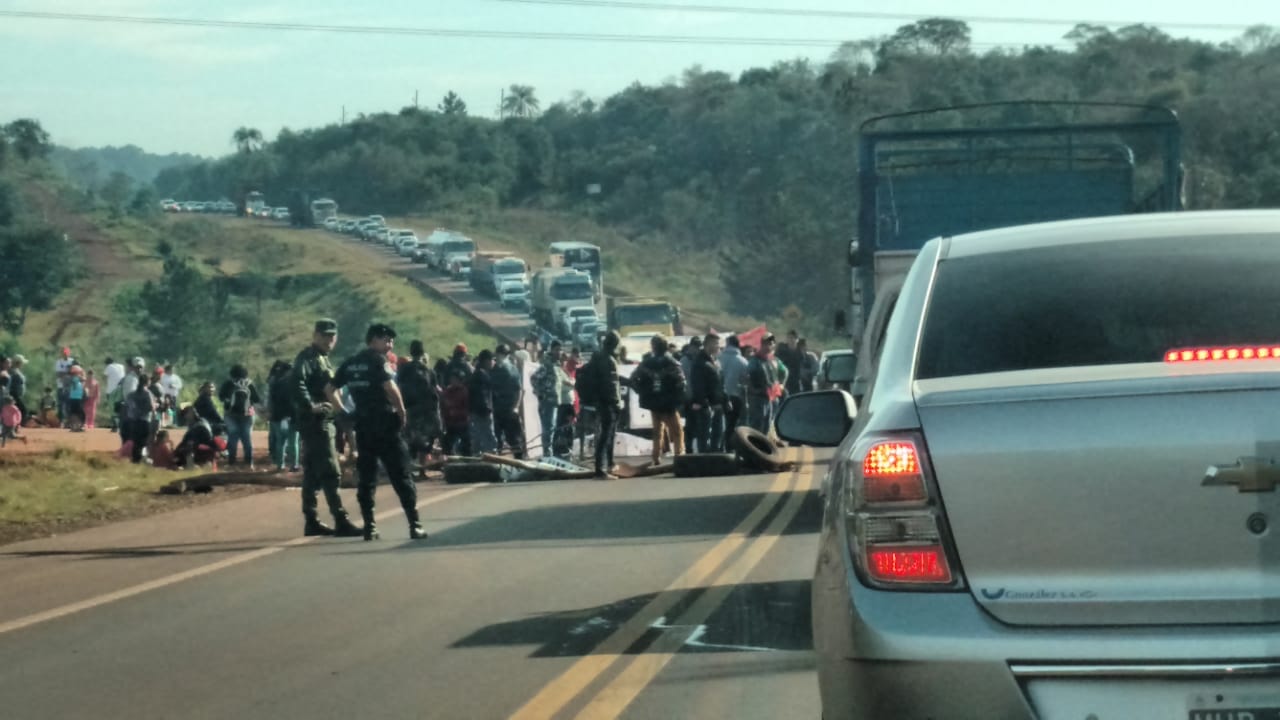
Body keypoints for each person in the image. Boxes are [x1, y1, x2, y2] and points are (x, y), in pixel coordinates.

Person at [326, 323, 425, 541]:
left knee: (367, 479)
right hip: (386, 426)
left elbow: (329, 389)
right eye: (385, 340)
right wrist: (401, 412)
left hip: (363, 427)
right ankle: (414, 524)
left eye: (391, 340)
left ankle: (370, 526)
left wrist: (343, 411)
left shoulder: (350, 364)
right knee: (401, 476)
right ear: (373, 340)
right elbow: (390, 388)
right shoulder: (379, 362)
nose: (389, 344)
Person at [289, 318, 362, 538]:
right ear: (315, 335)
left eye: (332, 336)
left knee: (312, 473)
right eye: (325, 335)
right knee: (330, 471)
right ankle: (340, 519)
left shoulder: (322, 359)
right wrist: (310, 406)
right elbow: (296, 382)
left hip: (324, 420)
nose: (329, 340)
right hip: (317, 422)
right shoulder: (308, 358)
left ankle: (311, 520)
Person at [631, 334, 687, 465]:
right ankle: (679, 456)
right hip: (668, 402)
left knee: (657, 431)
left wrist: (642, 391)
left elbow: (633, 379)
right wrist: (678, 397)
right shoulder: (672, 362)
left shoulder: (646, 363)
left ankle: (656, 456)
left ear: (654, 347)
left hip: (652, 401)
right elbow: (681, 382)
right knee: (677, 431)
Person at [576, 330, 623, 477]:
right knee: (607, 434)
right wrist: (617, 403)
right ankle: (601, 468)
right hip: (608, 401)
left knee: (606, 433)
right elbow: (612, 384)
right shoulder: (608, 360)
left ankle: (608, 464)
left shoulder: (597, 358)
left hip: (599, 400)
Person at [397, 340, 442, 469]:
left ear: (411, 352)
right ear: (422, 353)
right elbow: (435, 391)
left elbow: (398, 387)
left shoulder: (404, 369)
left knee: (410, 439)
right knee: (426, 438)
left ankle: (410, 466)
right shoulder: (428, 370)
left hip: (410, 409)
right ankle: (422, 466)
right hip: (427, 410)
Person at [531, 341, 571, 457]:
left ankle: (549, 452)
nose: (559, 352)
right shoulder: (547, 364)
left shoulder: (556, 365)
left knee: (552, 427)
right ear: (551, 350)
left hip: (555, 401)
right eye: (556, 350)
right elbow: (534, 378)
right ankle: (547, 453)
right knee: (548, 427)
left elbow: (561, 380)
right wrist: (540, 393)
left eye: (560, 349)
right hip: (547, 401)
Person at [688, 333, 726, 453]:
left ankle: (716, 456)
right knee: (704, 434)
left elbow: (720, 383)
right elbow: (698, 385)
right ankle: (704, 458)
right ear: (707, 344)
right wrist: (704, 404)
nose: (718, 346)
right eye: (715, 343)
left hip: (718, 404)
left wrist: (726, 399)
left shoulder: (715, 362)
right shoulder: (700, 363)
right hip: (707, 406)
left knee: (718, 433)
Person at [218, 364, 261, 469]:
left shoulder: (228, 383)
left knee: (233, 437)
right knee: (247, 439)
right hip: (247, 415)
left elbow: (221, 397)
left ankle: (232, 462)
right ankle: (249, 463)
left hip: (231, 415)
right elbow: (256, 399)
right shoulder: (249, 384)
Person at [747, 334, 788, 434]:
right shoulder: (755, 360)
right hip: (758, 399)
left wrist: (782, 385)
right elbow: (748, 376)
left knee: (768, 427)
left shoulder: (774, 360)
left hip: (772, 399)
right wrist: (754, 390)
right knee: (756, 428)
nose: (769, 346)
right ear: (762, 344)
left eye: (771, 344)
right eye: (766, 343)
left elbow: (785, 371)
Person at [490, 344, 525, 459]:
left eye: (502, 354)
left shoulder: (512, 369)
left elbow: (519, 390)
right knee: (497, 439)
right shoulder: (493, 370)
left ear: (507, 355)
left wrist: (516, 406)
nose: (499, 357)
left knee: (514, 439)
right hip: (496, 409)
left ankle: (520, 461)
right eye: (498, 354)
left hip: (509, 409)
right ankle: (499, 462)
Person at [268, 361, 300, 472]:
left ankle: (280, 464)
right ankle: (294, 464)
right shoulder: (293, 383)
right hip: (293, 416)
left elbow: (271, 401)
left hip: (277, 416)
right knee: (293, 442)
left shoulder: (274, 383)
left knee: (280, 441)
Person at [468, 349, 498, 455]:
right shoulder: (482, 376)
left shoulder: (476, 374)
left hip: (474, 412)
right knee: (489, 440)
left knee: (477, 440)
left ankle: (475, 463)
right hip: (483, 413)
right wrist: (487, 410)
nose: (494, 362)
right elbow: (482, 395)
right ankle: (492, 463)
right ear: (486, 361)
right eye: (492, 360)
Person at [123, 371, 156, 463]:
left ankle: (135, 460)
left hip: (133, 421)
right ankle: (141, 459)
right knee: (143, 442)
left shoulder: (132, 394)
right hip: (144, 421)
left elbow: (127, 405)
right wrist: (155, 405)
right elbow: (151, 407)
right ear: (147, 382)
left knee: (135, 442)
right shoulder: (147, 393)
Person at [719, 335, 749, 433]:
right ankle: (729, 445)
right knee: (732, 424)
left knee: (718, 424)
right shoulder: (743, 361)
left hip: (717, 396)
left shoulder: (717, 358)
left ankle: (718, 445)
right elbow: (746, 381)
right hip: (735, 396)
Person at [440, 371, 471, 456]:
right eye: (452, 379)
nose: (452, 381)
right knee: (446, 444)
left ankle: (468, 460)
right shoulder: (447, 391)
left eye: (455, 379)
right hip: (450, 422)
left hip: (462, 422)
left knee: (466, 444)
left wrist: (456, 412)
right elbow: (443, 406)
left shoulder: (464, 391)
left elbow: (467, 408)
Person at [778, 329, 803, 395]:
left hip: (796, 382)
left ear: (797, 340)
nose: (791, 340)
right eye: (789, 338)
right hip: (784, 381)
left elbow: (802, 367)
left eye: (793, 338)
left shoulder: (800, 353)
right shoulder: (781, 351)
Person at [8, 355, 28, 428]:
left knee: (18, 410)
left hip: (17, 394)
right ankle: (17, 426)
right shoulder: (13, 372)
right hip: (14, 394)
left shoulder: (15, 371)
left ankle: (15, 426)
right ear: (18, 363)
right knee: (23, 410)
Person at [65, 365, 86, 431]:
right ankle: (76, 426)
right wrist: (83, 372)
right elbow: (84, 379)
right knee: (79, 413)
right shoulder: (75, 378)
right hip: (76, 398)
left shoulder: (72, 378)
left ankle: (75, 426)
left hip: (74, 398)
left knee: (74, 413)